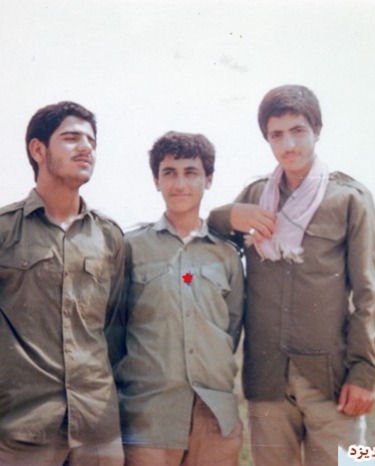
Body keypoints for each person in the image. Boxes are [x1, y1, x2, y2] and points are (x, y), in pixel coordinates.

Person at [0, 101, 125, 466]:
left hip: (98, 431)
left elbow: (114, 327)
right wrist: (9, 373)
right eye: (71, 138)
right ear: (38, 150)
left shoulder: (109, 236)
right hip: (24, 429)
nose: (85, 148)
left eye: (91, 141)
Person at [207, 84, 375, 466]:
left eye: (298, 131)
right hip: (267, 379)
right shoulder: (255, 196)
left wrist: (364, 374)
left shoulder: (349, 198)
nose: (288, 144)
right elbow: (209, 232)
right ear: (267, 139)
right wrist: (229, 215)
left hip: (331, 380)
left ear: (317, 130)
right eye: (277, 135)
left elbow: (369, 292)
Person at [109, 131, 245, 466]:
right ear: (156, 180)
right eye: (169, 172)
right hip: (148, 419)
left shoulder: (227, 256)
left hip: (214, 419)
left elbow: (232, 328)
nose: (180, 183)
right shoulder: (131, 247)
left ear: (208, 179)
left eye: (190, 172)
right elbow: (113, 329)